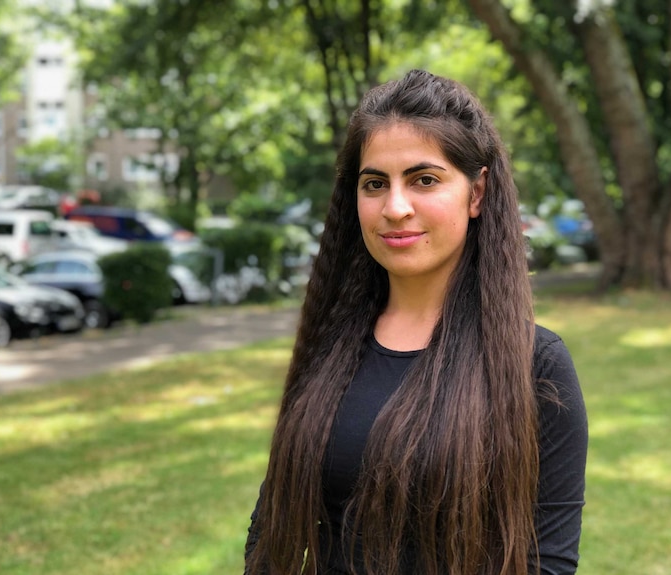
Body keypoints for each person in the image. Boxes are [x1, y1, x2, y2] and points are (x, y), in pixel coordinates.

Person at [244, 69, 587, 575]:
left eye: (424, 180)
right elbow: (269, 530)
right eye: (375, 183)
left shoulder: (536, 366)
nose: (395, 207)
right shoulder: (330, 345)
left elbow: (547, 564)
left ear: (476, 193)